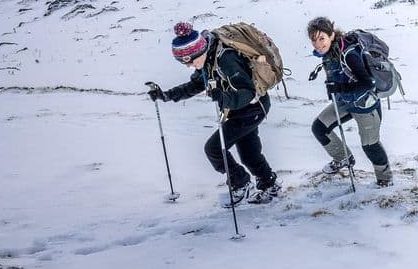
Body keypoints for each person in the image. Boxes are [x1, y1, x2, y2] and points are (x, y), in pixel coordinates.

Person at [148, 23, 280, 204]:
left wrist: (223, 97)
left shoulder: (226, 59)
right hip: (238, 110)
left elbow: (247, 91)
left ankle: (241, 183)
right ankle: (269, 184)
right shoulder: (207, 60)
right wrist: (167, 95)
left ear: (198, 52)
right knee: (249, 154)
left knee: (214, 148)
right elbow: (195, 85)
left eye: (190, 61)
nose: (190, 66)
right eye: (185, 63)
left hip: (253, 107)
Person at [307, 17, 393, 187]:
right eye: (314, 39)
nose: (318, 44)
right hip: (345, 101)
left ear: (331, 34)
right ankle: (344, 159)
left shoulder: (349, 54)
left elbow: (368, 83)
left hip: (365, 105)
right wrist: (334, 86)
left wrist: (339, 88)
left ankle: (385, 179)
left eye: (321, 38)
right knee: (319, 128)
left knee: (370, 145)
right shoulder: (330, 52)